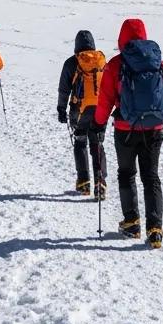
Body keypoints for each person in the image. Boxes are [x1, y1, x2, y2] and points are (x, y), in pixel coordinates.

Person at [93, 19, 163, 250]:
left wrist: (98, 124)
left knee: (127, 174)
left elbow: (105, 100)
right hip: (154, 131)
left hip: (125, 130)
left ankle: (131, 223)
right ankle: (155, 229)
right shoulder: (158, 62)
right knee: (151, 177)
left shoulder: (116, 64)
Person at [57, 30, 108, 198]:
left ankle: (84, 181)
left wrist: (61, 109)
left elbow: (64, 89)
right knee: (97, 144)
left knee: (80, 142)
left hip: (79, 110)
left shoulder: (72, 62)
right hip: (101, 109)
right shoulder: (101, 61)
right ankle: (100, 181)